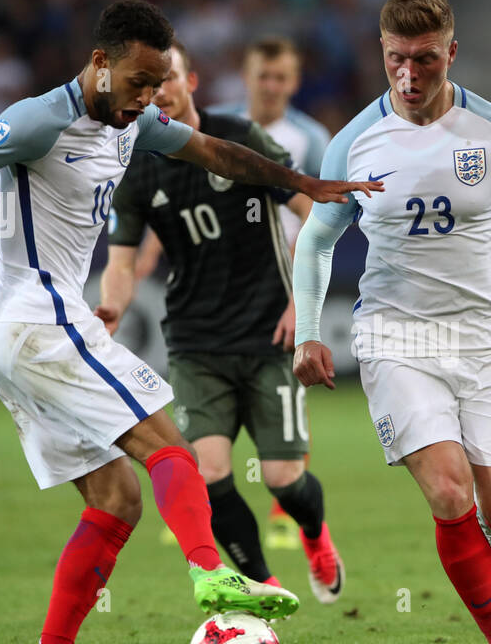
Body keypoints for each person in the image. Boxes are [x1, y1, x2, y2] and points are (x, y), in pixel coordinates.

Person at [0, 0, 380, 644]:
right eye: (137, 83)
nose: (147, 100)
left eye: (157, 86)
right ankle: (211, 570)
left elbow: (218, 152)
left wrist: (302, 183)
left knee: (116, 498)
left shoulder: (133, 120)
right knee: (170, 445)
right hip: (39, 319)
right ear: (100, 63)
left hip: (26, 334)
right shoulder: (38, 119)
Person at [291, 0, 491, 644]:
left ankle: (488, 533)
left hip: (485, 341)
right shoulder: (354, 143)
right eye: (396, 60)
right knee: (450, 491)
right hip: (394, 336)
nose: (409, 76)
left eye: (424, 60)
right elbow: (316, 240)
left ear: (452, 51)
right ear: (381, 55)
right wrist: (308, 330)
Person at [100, 41, 344, 604]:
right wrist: (111, 308)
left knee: (284, 480)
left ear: (193, 81)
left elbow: (309, 210)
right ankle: (265, 585)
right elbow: (121, 262)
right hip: (195, 343)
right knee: (208, 474)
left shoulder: (239, 136)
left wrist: (300, 302)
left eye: (168, 78)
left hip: (268, 336)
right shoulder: (135, 168)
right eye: (146, 83)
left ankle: (314, 533)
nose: (157, 91)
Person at [212, 36, 332, 550]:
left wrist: (302, 294)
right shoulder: (221, 128)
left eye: (281, 77)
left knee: (287, 399)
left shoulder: (312, 138)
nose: (272, 86)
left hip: (285, 284)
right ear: (247, 74)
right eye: (264, 75)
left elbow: (323, 214)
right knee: (215, 393)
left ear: (295, 81)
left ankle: (285, 511)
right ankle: (210, 505)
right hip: (224, 282)